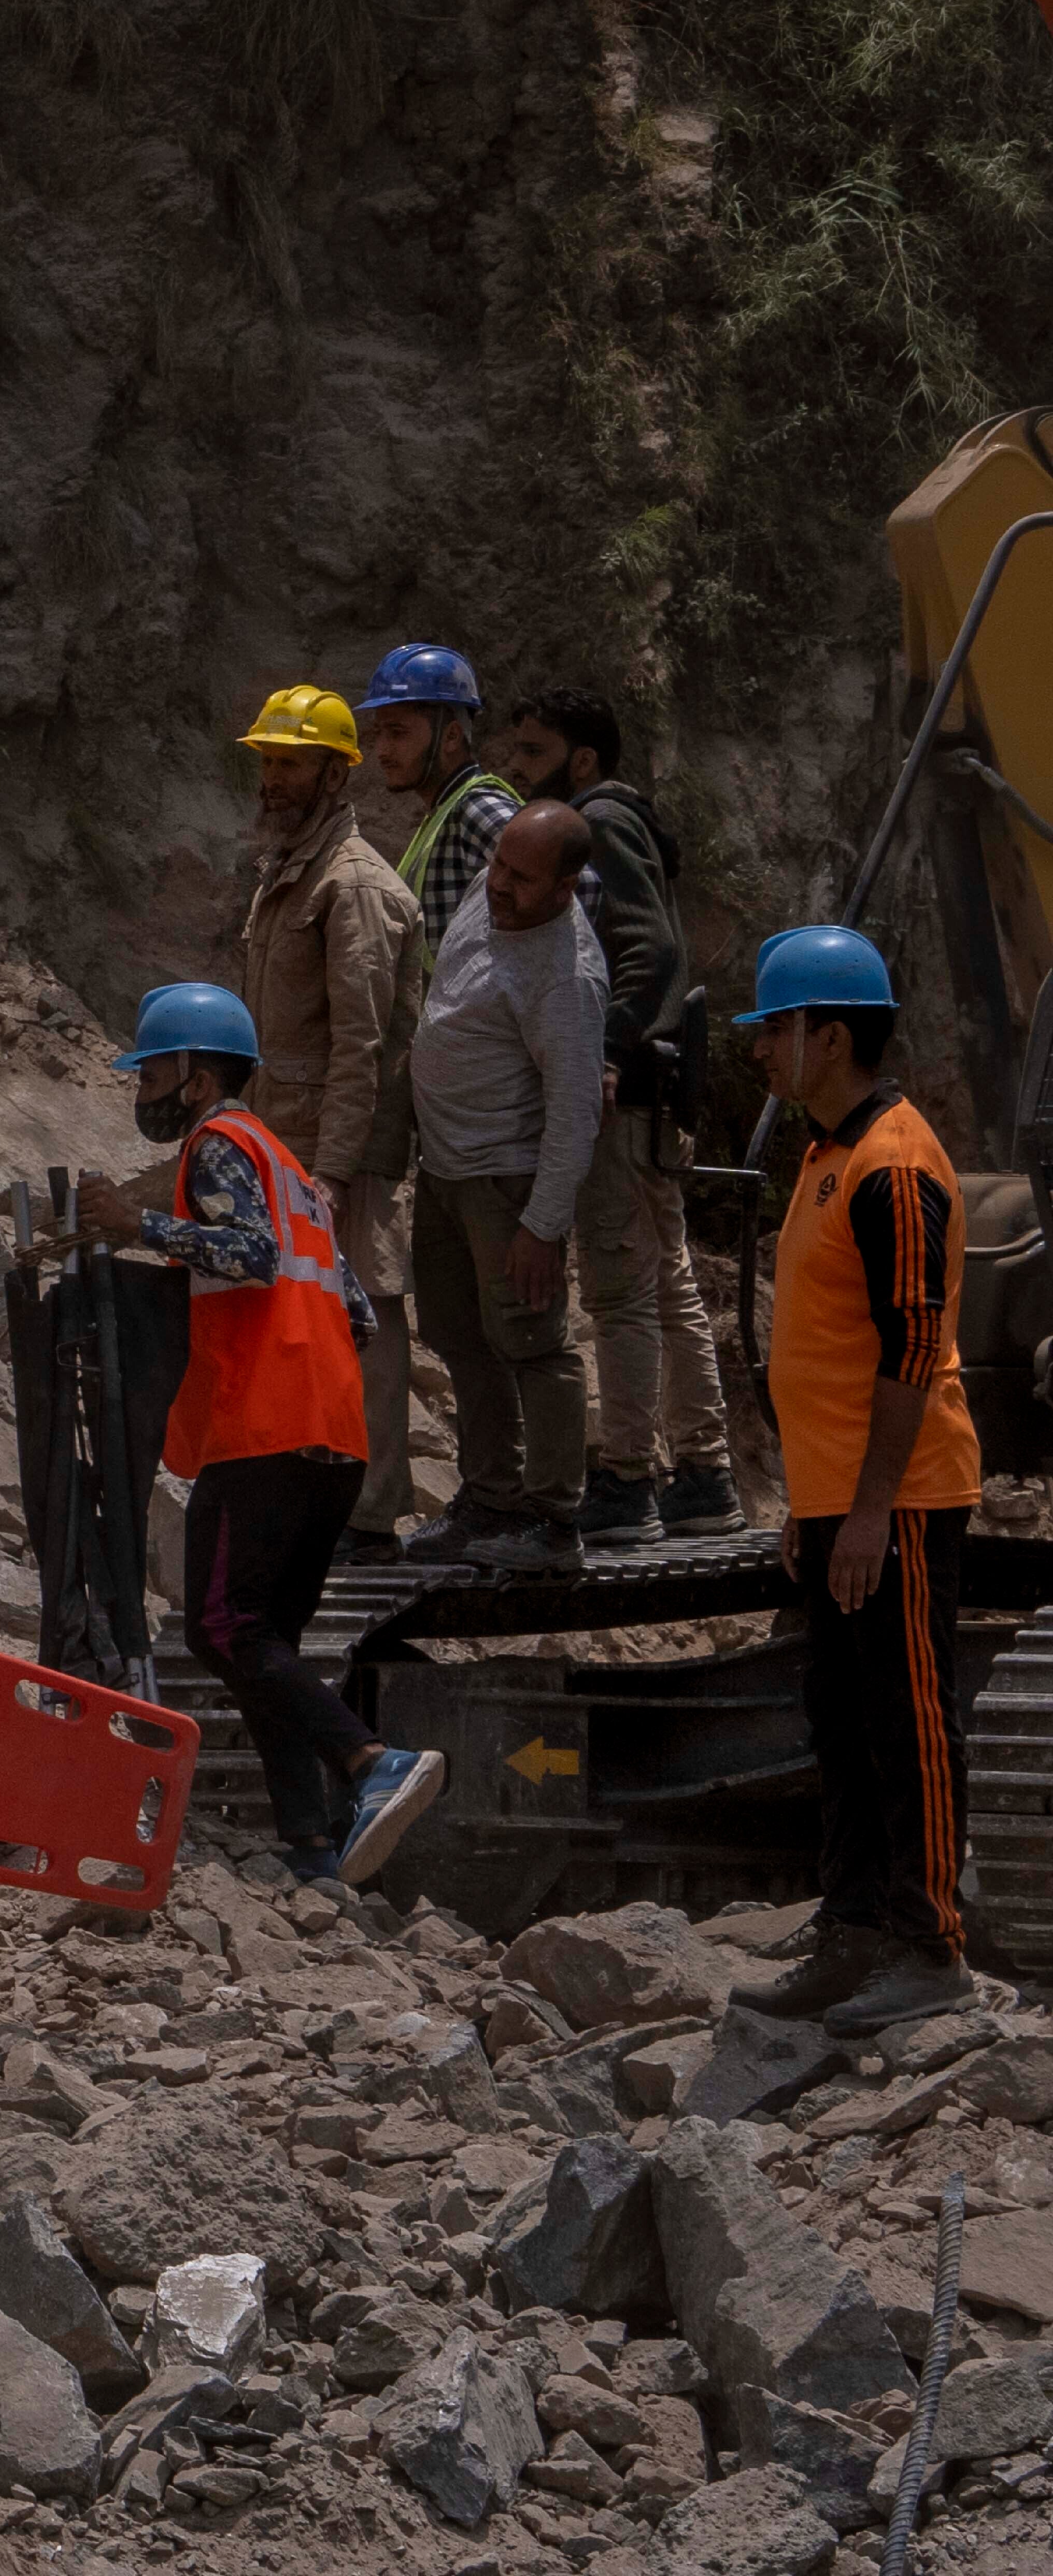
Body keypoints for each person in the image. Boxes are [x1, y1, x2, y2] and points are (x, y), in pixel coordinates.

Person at [66, 985, 446, 1883]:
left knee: (222, 1628)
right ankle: (309, 1844)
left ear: (196, 1079)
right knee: (262, 1638)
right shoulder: (292, 1171)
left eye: (155, 1069)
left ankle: (369, 1762)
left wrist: (137, 1225)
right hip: (333, 1437)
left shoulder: (222, 1147)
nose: (145, 1087)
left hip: (266, 1428)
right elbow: (350, 1310)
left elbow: (249, 1255)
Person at [730, 930, 989, 2034]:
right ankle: (853, 1928)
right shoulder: (829, 1154)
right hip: (844, 1499)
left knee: (909, 1716)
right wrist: (814, 1506)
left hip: (906, 1498)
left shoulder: (893, 1165)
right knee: (840, 1715)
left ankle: (929, 1946)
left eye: (775, 1032)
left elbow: (912, 1348)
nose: (762, 1055)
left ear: (829, 1033)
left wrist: (873, 1509)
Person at [496, 685, 737, 1543]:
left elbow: (651, 948)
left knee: (622, 1293)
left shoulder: (600, 819)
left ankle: (629, 1479)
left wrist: (602, 1050)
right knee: (666, 1287)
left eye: (531, 753)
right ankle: (704, 1474)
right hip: (648, 1093)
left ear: (582, 758)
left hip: (625, 1094)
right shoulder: (610, 817)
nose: (515, 769)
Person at [231, 683, 425, 1564]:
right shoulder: (287, 871)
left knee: (368, 1311)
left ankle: (374, 1511)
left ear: (335, 773)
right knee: (304, 1315)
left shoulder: (355, 887)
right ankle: (315, 1493)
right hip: (287, 1134)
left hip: (341, 1142)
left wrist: (337, 1169)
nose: (274, 778)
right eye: (268, 760)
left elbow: (365, 1044)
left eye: (292, 762)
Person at [404, 803, 618, 1573]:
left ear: (567, 887)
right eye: (498, 864)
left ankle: (555, 1521)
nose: (498, 884)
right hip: (445, 1168)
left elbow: (576, 1110)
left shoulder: (568, 978)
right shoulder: (487, 895)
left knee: (534, 1344)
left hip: (506, 1180)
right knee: (461, 1335)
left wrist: (542, 1224)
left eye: (521, 877)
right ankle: (490, 1496)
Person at [357, 642, 523, 950]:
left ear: (451, 736)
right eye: (379, 733)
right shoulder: (447, 810)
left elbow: (578, 885)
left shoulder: (477, 808)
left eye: (398, 733)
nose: (381, 750)